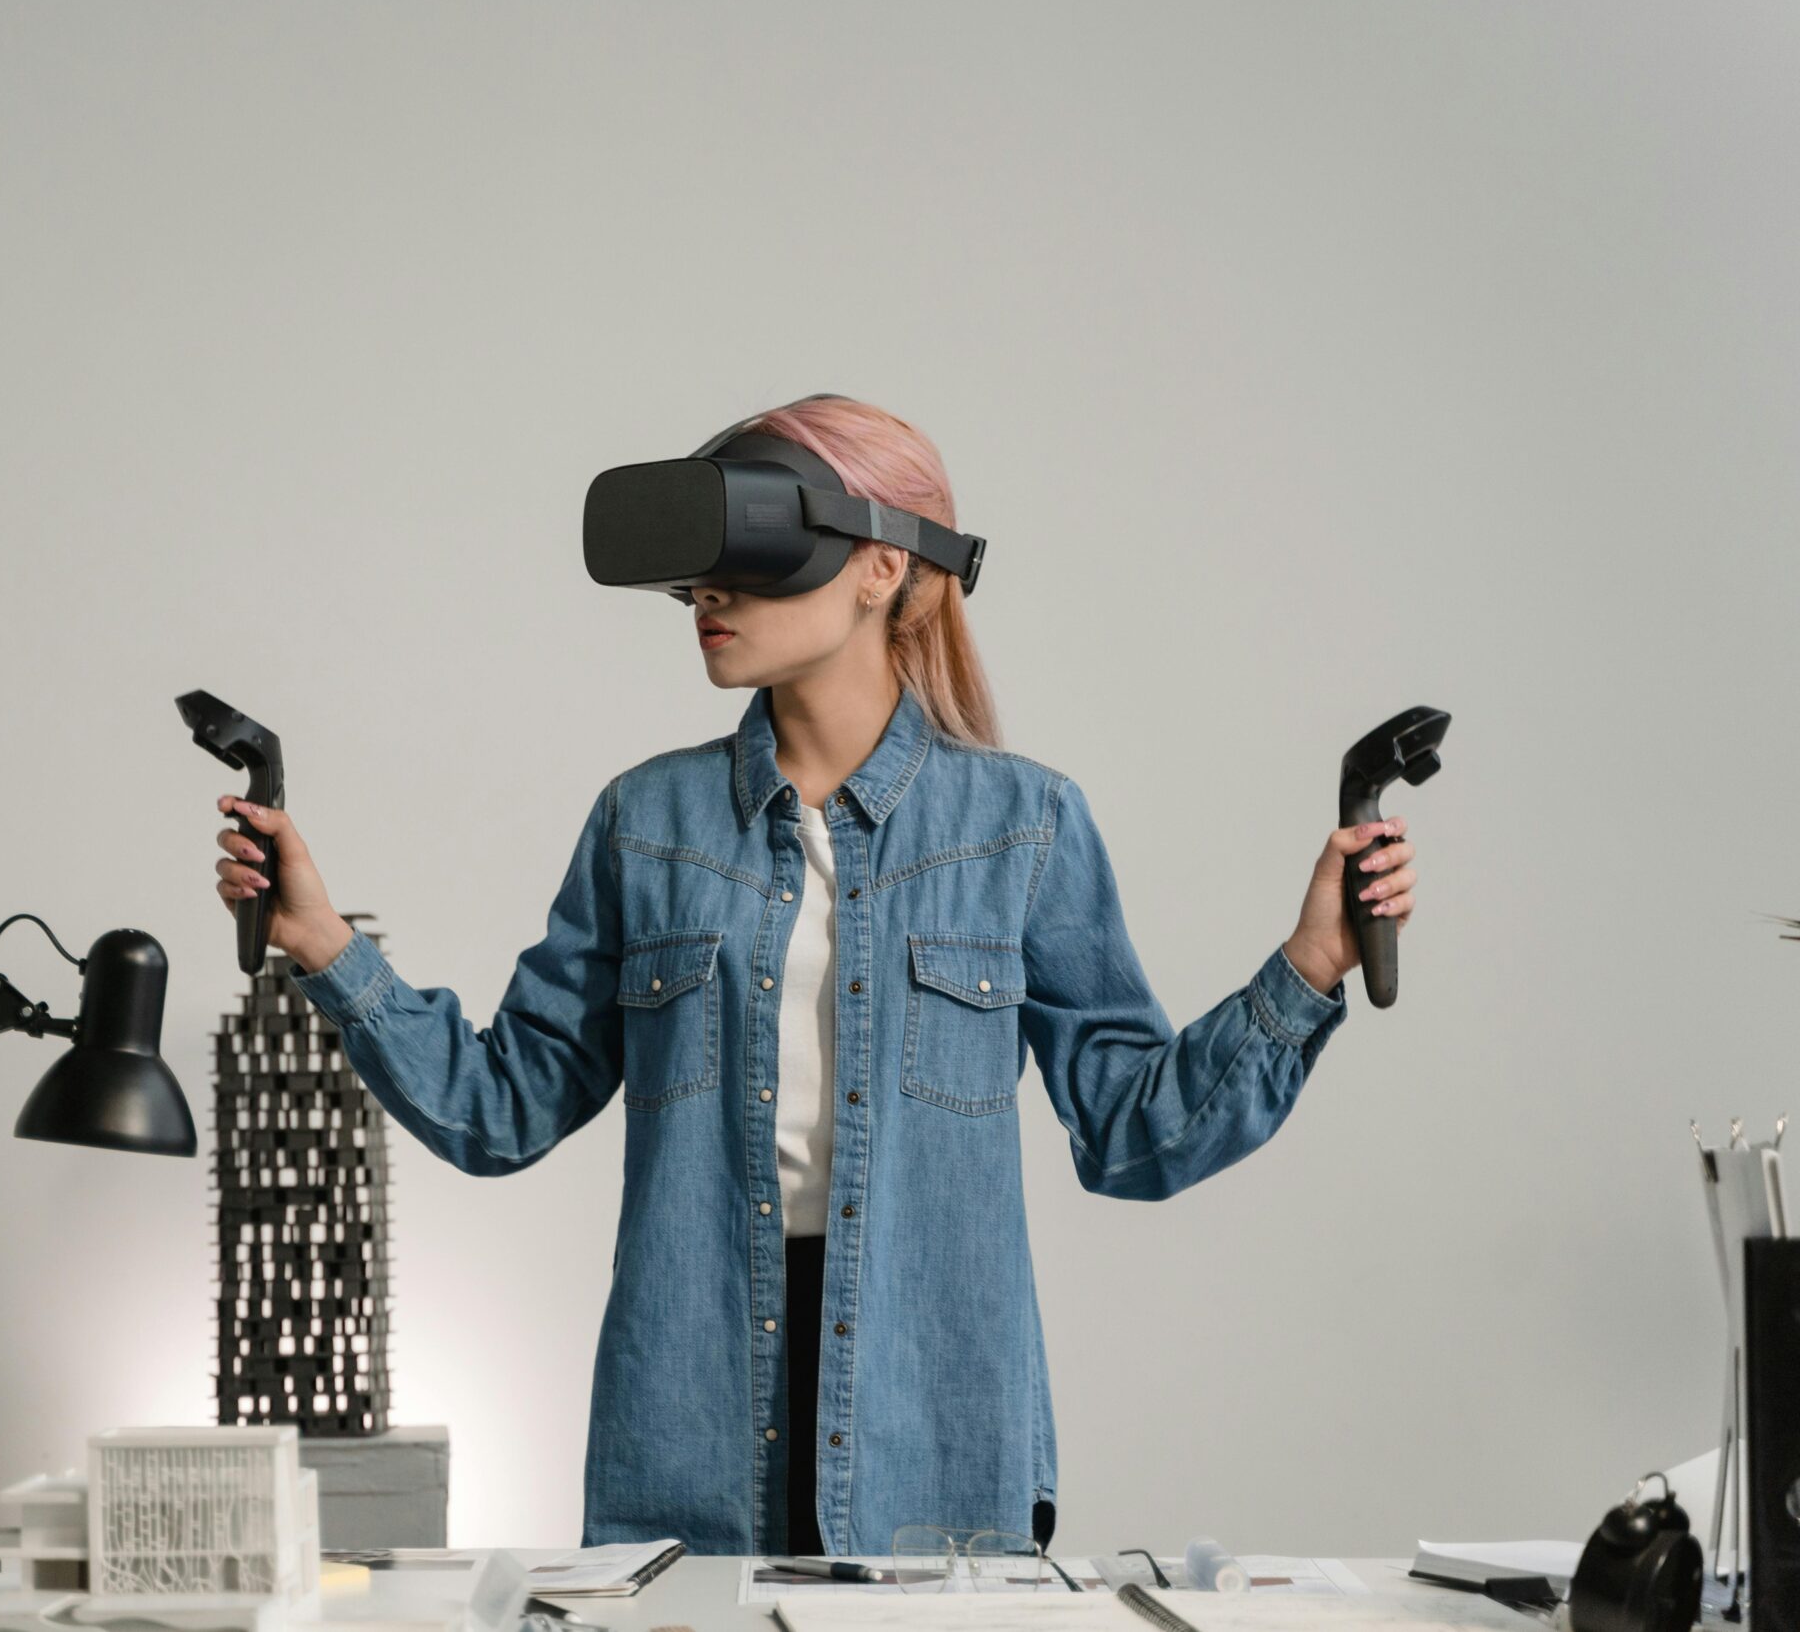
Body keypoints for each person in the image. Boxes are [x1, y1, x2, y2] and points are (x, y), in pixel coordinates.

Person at [203, 395, 1420, 1559]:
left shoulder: (1024, 825)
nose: (704, 593)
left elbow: (1132, 1135)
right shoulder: (646, 821)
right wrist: (321, 941)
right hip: (689, 1437)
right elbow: (502, 1107)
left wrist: (1310, 960)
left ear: (881, 564)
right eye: (693, 567)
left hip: (931, 1448)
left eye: (745, 547)